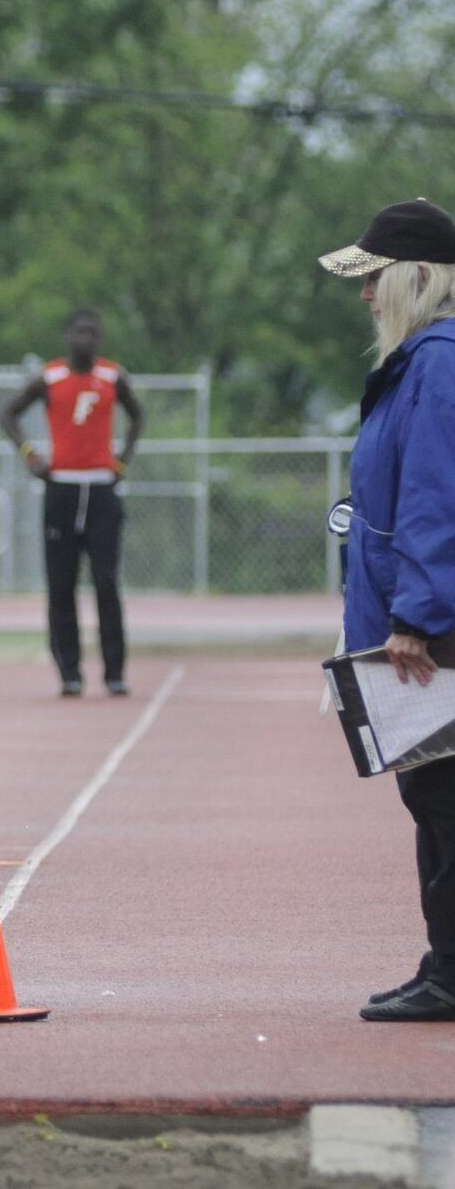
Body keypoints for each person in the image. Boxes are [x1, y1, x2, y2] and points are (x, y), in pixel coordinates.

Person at [320, 197, 455, 1022]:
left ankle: (451, 975)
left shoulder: (438, 364)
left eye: (373, 277)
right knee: (430, 798)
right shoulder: (423, 363)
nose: (365, 295)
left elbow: (435, 500)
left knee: (443, 801)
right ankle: (444, 962)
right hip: (413, 616)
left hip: (432, 631)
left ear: (413, 278)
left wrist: (417, 616)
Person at [0, 309, 144, 698]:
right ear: (67, 337)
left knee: (106, 582)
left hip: (101, 490)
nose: (86, 339)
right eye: (79, 332)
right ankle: (69, 672)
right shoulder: (51, 378)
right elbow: (8, 414)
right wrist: (31, 455)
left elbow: (136, 416)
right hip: (61, 489)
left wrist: (122, 460)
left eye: (93, 333)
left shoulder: (112, 377)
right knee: (61, 585)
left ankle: (114, 671)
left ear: (99, 339)